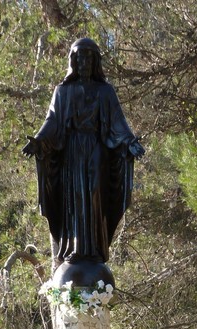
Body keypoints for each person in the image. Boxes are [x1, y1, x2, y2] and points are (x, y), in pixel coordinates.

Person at [23, 38, 144, 270]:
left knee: (95, 193)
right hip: (72, 152)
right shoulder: (63, 91)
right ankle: (75, 248)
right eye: (80, 59)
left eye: (89, 59)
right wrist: (38, 141)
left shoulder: (105, 92)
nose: (84, 63)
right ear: (74, 62)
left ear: (95, 62)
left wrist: (130, 143)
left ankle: (96, 248)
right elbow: (52, 120)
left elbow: (118, 122)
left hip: (96, 149)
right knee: (76, 196)